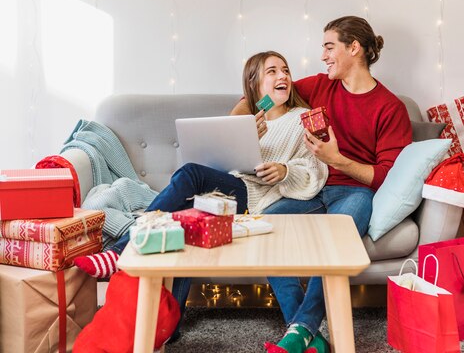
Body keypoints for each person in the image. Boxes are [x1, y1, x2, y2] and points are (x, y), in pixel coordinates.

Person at [74, 51, 328, 340]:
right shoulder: (248, 121)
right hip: (227, 191)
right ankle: (172, 325)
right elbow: (226, 164)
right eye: (272, 71)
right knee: (183, 223)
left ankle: (122, 249)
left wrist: (284, 171)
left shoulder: (301, 119)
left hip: (253, 196)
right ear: (255, 83)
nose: (283, 76)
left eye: (285, 70)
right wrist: (243, 137)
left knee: (191, 173)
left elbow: (316, 169)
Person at [232, 16, 412, 353]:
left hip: (353, 192)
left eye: (329, 47)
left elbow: (386, 175)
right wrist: (239, 121)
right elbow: (264, 95)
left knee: (336, 237)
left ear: (353, 48)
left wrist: (337, 159)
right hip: (310, 189)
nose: (324, 56)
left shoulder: (390, 108)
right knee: (267, 230)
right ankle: (307, 336)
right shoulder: (319, 85)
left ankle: (298, 332)